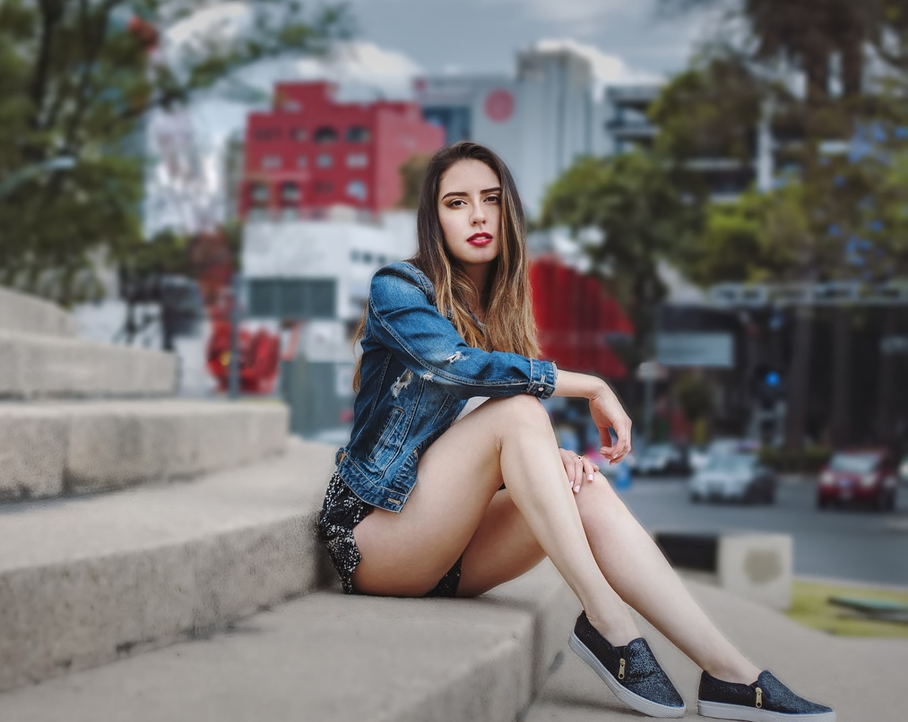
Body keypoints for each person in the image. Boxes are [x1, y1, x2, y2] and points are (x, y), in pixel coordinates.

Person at [318, 141, 834, 721]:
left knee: (584, 483)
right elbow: (452, 367)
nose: (478, 215)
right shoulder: (399, 288)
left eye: (490, 200)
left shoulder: (500, 309)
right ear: (433, 219)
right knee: (522, 413)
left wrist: (542, 457)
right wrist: (587, 385)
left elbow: (462, 439)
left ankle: (731, 674)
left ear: (508, 211)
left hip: (449, 548)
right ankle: (609, 624)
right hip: (374, 538)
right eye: (457, 203)